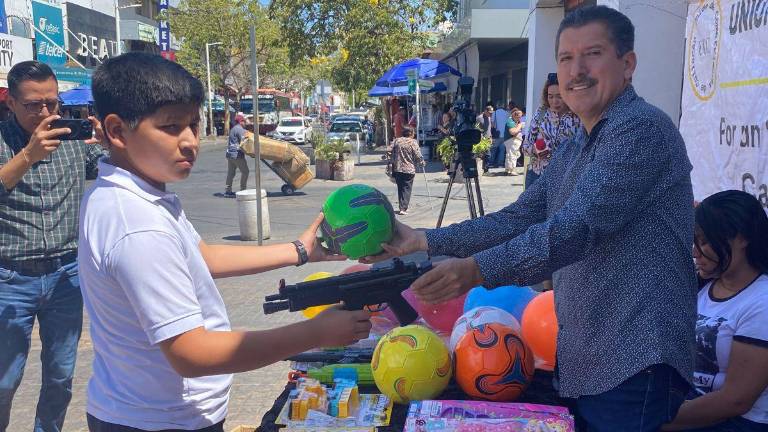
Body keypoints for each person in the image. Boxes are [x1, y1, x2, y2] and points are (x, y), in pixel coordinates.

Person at [363, 6, 696, 431]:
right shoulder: (580, 142)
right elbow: (522, 216)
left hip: (634, 355)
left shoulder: (640, 130)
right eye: (565, 58)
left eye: (592, 54)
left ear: (627, 64)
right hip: (589, 353)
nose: (576, 71)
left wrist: (478, 270)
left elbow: (575, 230)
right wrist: (425, 240)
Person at [81, 52, 371, 432]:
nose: (189, 142)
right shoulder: (137, 224)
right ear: (117, 131)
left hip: (142, 408)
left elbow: (201, 257)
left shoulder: (137, 195)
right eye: (170, 127)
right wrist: (317, 333)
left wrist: (299, 252)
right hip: (159, 421)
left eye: (193, 125)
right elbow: (191, 353)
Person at [0, 61, 103, 432]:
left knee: (60, 376)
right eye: (32, 105)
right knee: (4, 380)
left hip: (65, 276)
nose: (45, 112)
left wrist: (111, 141)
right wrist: (28, 155)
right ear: (10, 102)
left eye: (52, 103)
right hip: (10, 279)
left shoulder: (71, 140)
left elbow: (111, 164)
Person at [663, 190, 768, 431]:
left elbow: (735, 400)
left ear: (742, 238)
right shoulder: (702, 285)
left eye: (705, 241)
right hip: (689, 407)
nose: (695, 252)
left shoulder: (762, 301)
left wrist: (656, 420)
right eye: (694, 241)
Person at [522, 72, 582, 189]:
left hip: (567, 178)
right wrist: (535, 150)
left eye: (560, 96)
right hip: (538, 176)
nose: (555, 101)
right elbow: (525, 146)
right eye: (550, 96)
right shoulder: (541, 113)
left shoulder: (578, 116)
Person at [389, 128, 424, 216]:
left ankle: (402, 207)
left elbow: (389, 150)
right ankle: (403, 208)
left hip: (397, 169)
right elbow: (418, 154)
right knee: (407, 188)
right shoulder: (412, 142)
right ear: (411, 133)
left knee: (400, 188)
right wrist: (422, 162)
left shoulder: (397, 140)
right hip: (409, 169)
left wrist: (393, 159)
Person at [224, 113, 249, 197]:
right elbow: (245, 141)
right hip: (237, 155)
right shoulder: (239, 129)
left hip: (230, 154)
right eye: (244, 121)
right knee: (245, 172)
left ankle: (228, 191)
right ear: (241, 121)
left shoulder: (233, 129)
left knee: (230, 173)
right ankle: (243, 190)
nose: (245, 123)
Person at [503, 108, 525, 176]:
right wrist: (519, 126)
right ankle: (511, 170)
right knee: (512, 155)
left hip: (513, 141)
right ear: (515, 116)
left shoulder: (515, 121)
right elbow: (512, 132)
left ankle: (508, 170)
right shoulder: (510, 121)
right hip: (511, 140)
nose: (520, 119)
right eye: (519, 117)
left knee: (511, 155)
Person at [490, 101, 509, 168]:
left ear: (497, 106)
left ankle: (491, 163)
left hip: (496, 135)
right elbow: (508, 124)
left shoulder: (494, 113)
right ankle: (500, 164)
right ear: (503, 106)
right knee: (502, 150)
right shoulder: (506, 113)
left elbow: (492, 125)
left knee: (493, 149)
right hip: (504, 135)